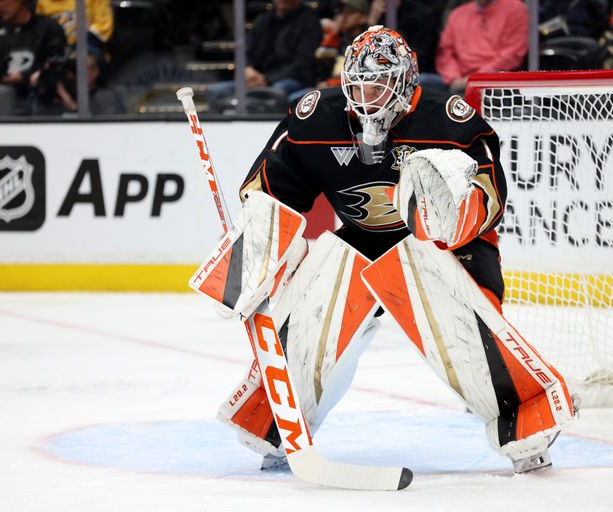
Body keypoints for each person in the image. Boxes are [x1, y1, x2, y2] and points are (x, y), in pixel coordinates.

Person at [219, 25, 576, 474]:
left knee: (464, 330)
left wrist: (451, 207)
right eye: (357, 85)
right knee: (317, 298)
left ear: (406, 82)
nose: (365, 97)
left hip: (444, 245)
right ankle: (279, 418)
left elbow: (489, 202)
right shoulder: (315, 119)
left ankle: (526, 419)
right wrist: (257, 251)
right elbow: (269, 197)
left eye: (378, 83)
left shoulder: (449, 121)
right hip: (362, 240)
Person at [0, 0, 66, 114]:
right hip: (3, 101)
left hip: (44, 102)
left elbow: (56, 64)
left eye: (3, 1)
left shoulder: (48, 28)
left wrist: (25, 78)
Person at [436, 0, 529, 93]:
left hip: (496, 80)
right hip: (458, 80)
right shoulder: (457, 14)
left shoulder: (516, 8)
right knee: (424, 83)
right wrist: (453, 77)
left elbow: (513, 52)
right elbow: (445, 52)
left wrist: (475, 79)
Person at [35, 0, 114, 54]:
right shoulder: (41, 5)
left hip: (91, 48)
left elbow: (103, 25)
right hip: (60, 54)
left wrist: (76, 48)